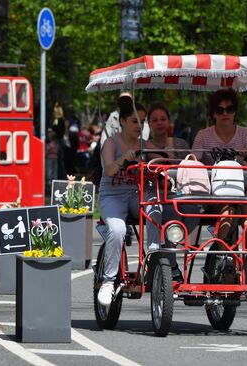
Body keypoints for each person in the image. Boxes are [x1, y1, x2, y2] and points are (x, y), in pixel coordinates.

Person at [97, 97, 154, 306]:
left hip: (135, 193)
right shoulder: (111, 143)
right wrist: (125, 159)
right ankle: (108, 281)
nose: (139, 126)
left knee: (156, 212)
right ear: (121, 121)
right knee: (118, 229)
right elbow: (109, 169)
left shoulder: (145, 146)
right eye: (134, 121)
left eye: (143, 121)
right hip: (112, 195)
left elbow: (160, 161)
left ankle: (157, 263)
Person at [192, 88, 247, 245]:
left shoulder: (246, 133)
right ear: (213, 114)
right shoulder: (203, 135)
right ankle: (221, 254)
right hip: (213, 193)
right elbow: (195, 159)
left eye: (230, 109)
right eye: (219, 110)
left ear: (235, 112)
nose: (225, 113)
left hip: (241, 191)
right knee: (230, 208)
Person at [144, 101, 197, 282]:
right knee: (171, 214)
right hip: (156, 193)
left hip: (180, 192)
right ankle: (172, 265)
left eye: (163, 119)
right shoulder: (144, 146)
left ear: (169, 122)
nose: (159, 123)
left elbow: (190, 168)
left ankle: (169, 247)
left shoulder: (180, 143)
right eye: (155, 120)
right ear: (149, 124)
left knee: (193, 211)